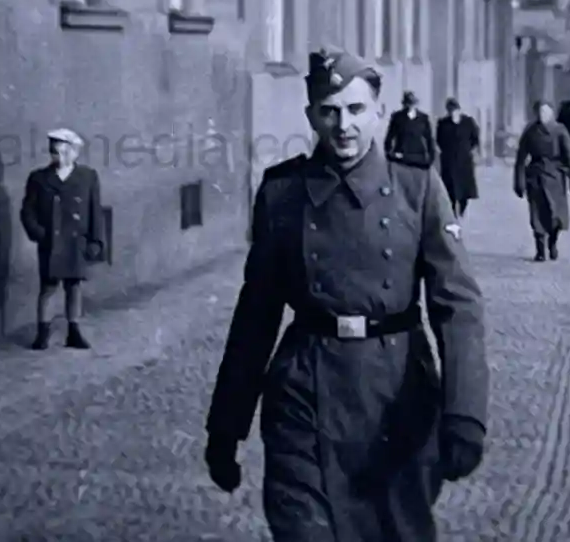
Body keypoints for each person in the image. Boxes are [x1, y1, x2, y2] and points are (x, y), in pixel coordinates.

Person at [205, 49, 488, 542]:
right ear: (311, 114)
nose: (343, 126)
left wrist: (465, 414)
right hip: (303, 391)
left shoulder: (417, 190)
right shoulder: (282, 193)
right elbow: (257, 313)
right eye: (329, 111)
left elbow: (457, 305)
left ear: (378, 113)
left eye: (356, 110)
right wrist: (226, 424)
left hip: (396, 395)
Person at [20, 128, 104, 350]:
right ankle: (43, 333)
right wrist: (39, 233)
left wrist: (96, 240)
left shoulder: (87, 177)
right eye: (54, 152)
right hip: (51, 242)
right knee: (47, 288)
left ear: (74, 152)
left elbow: (95, 210)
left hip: (76, 241)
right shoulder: (39, 178)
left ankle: (73, 332)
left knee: (74, 286)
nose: (58, 157)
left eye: (62, 152)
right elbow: (27, 211)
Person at [513, 101, 570, 261]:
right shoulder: (530, 131)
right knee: (536, 214)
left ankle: (553, 242)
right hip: (535, 177)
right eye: (540, 112)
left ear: (551, 114)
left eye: (546, 112)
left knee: (555, 215)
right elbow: (520, 158)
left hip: (556, 177)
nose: (543, 115)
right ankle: (540, 249)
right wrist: (519, 182)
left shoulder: (560, 131)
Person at [435, 97, 480, 217]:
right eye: (450, 110)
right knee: (450, 188)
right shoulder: (443, 123)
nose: (452, 113)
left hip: (464, 161)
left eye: (454, 110)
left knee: (464, 190)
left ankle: (462, 209)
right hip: (449, 161)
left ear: (459, 110)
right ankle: (453, 212)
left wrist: (469, 150)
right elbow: (439, 140)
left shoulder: (468, 122)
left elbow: (475, 139)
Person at [384, 90, 435, 168]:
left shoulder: (423, 118)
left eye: (412, 103)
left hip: (419, 159)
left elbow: (429, 139)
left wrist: (431, 158)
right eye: (408, 103)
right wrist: (390, 154)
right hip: (401, 159)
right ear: (404, 104)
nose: (410, 106)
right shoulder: (397, 117)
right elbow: (389, 137)